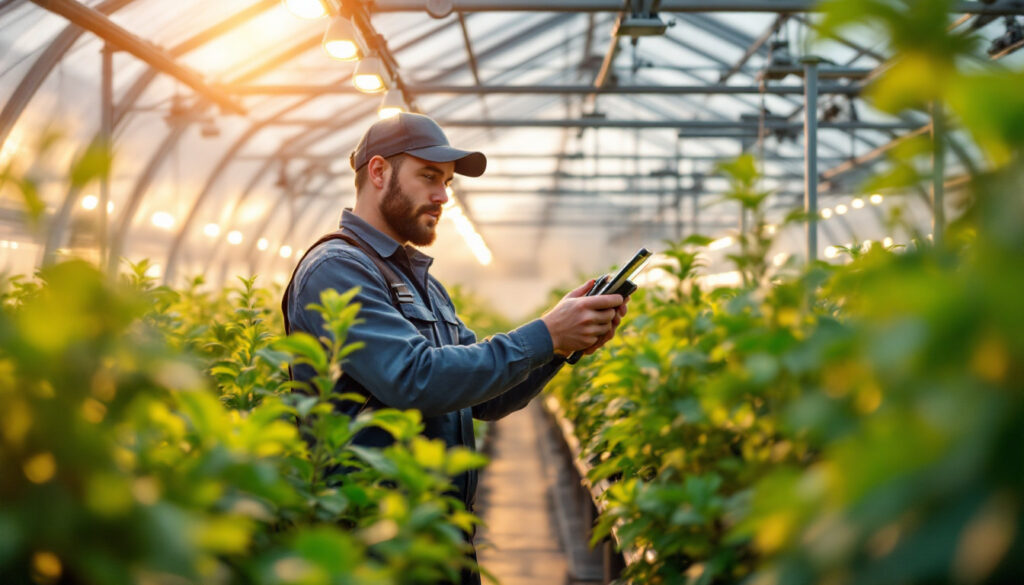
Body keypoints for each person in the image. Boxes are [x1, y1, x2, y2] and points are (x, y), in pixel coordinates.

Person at [282, 113, 628, 584]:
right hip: (377, 554)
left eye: (446, 182)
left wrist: (564, 346)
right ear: (378, 173)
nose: (444, 196)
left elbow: (485, 400)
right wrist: (546, 333)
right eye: (429, 177)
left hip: (441, 546)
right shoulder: (336, 269)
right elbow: (414, 376)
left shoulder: (427, 287)